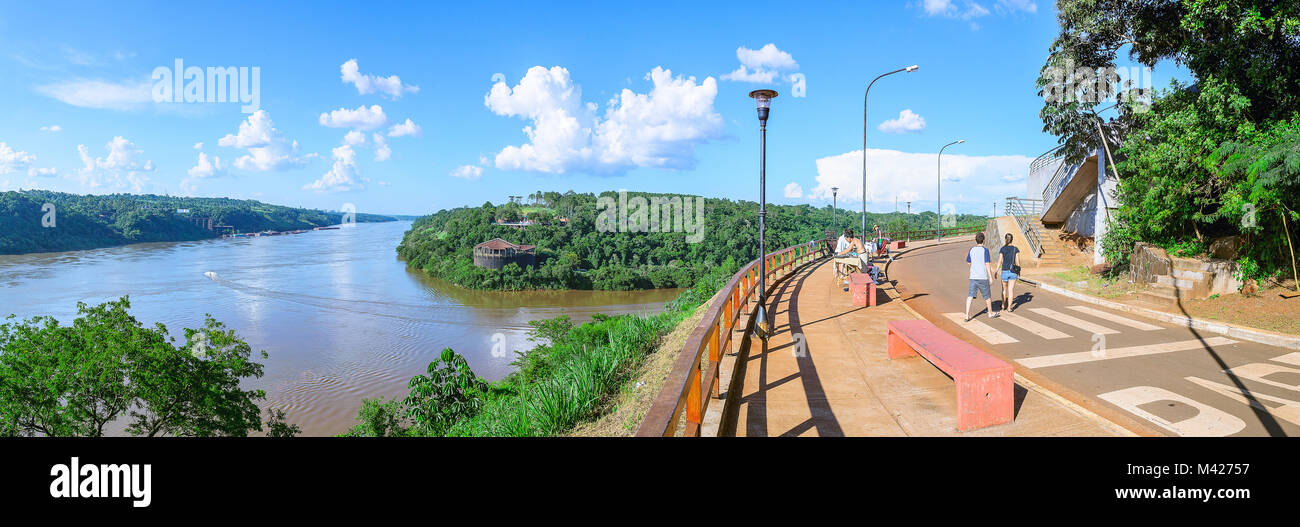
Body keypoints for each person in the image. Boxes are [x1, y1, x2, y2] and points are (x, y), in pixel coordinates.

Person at [964, 232, 998, 322]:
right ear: (983, 240)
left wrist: (974, 267)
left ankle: (967, 315)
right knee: (987, 296)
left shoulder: (971, 249)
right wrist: (990, 277)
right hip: (982, 277)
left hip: (973, 277)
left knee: (970, 296)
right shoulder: (985, 250)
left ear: (976, 240)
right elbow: (987, 264)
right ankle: (990, 313)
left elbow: (968, 262)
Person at [997, 233, 1021, 312]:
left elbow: (1000, 261)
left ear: (1005, 239)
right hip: (1013, 271)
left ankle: (1003, 305)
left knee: (1004, 289)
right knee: (1011, 290)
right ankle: (1009, 308)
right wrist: (1019, 271)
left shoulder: (1002, 249)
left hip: (1004, 271)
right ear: (1012, 239)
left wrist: (996, 270)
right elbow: (1017, 261)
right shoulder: (1015, 249)